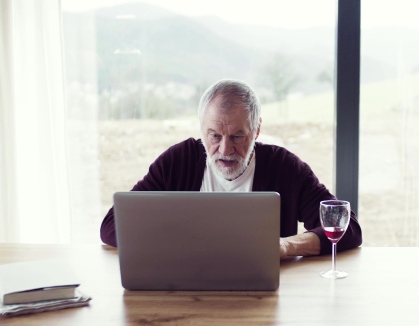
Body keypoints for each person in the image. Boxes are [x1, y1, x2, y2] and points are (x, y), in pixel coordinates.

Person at [100, 78, 362, 258]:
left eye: (237, 137)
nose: (225, 150)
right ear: (202, 129)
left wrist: (285, 247)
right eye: (214, 136)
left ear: (257, 129)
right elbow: (112, 226)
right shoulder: (177, 162)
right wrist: (176, 245)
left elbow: (348, 227)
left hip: (264, 297)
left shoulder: (284, 167)